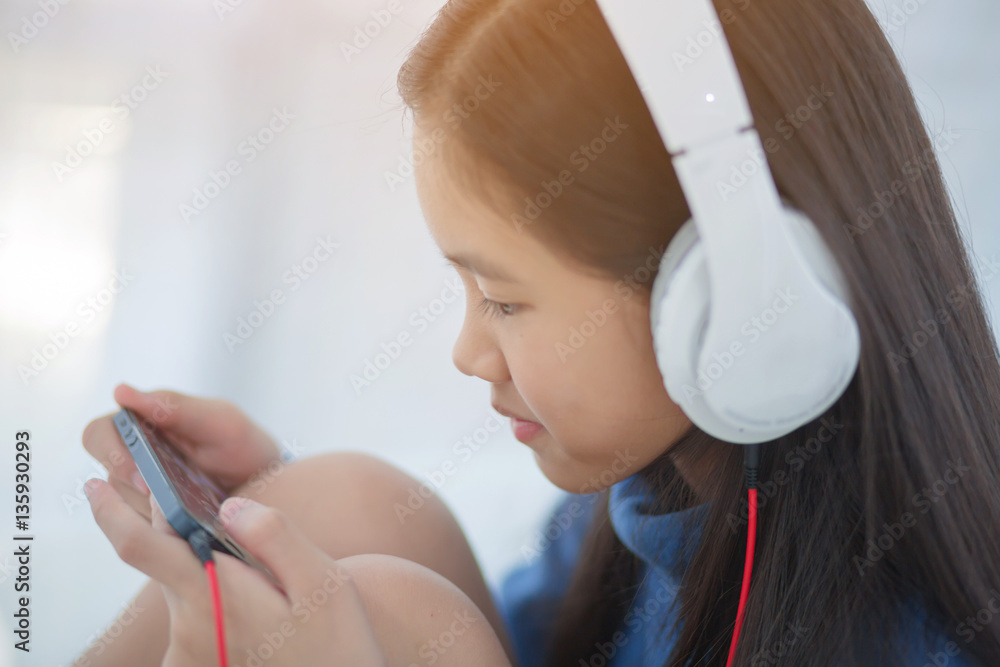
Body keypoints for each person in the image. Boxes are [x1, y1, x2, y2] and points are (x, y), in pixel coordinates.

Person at [76, 0, 1000, 664]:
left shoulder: (902, 635)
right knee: (344, 499)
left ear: (731, 294)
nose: (468, 353)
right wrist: (273, 522)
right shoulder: (651, 489)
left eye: (506, 301)